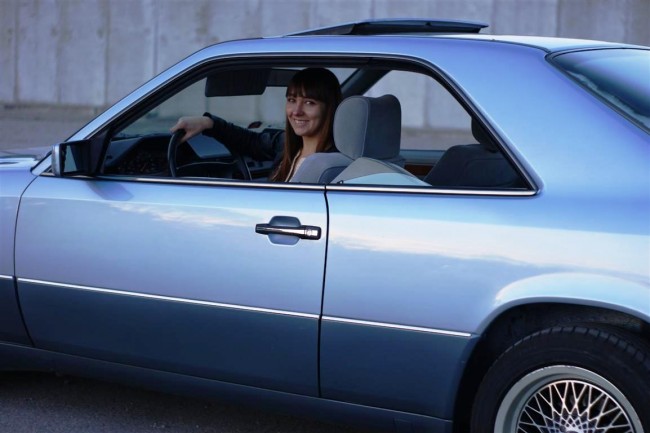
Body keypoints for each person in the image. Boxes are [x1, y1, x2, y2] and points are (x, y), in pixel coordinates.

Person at [171, 67, 342, 181]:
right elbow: (250, 141)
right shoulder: (285, 144)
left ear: (329, 108)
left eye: (309, 103)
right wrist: (208, 123)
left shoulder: (336, 164)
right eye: (291, 100)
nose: (296, 111)